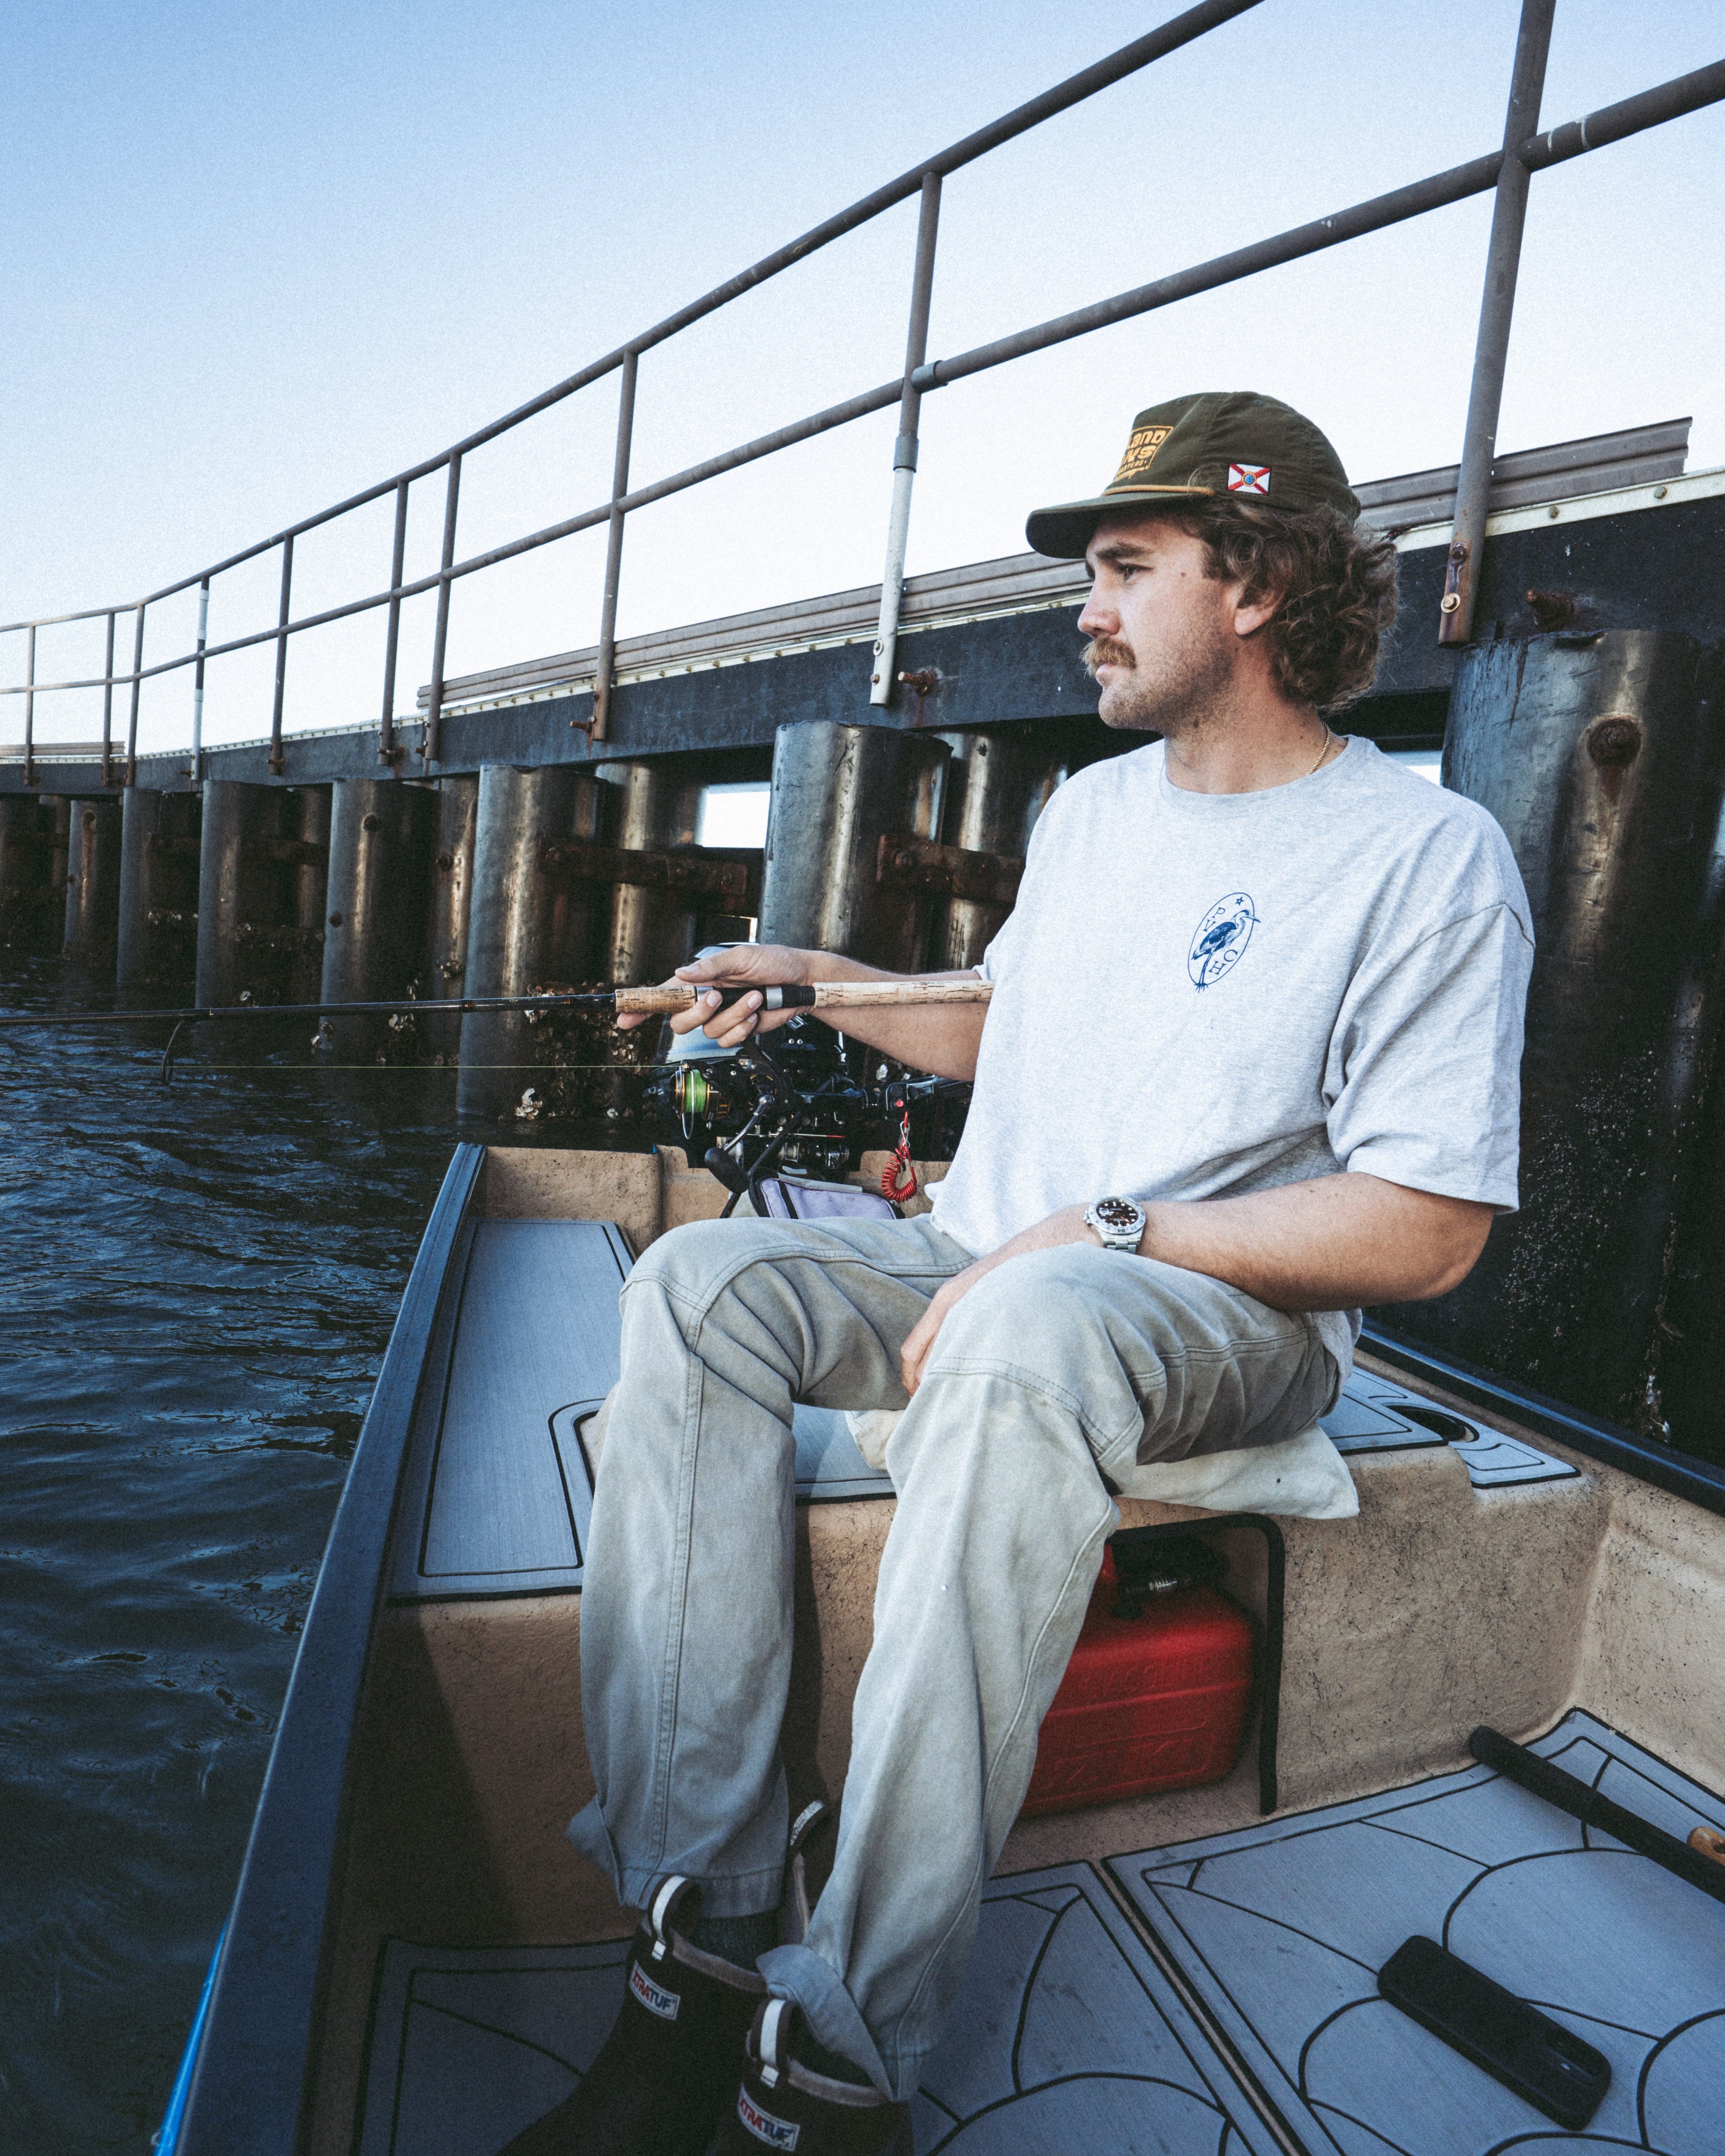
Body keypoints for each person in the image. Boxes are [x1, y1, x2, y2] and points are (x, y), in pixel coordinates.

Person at [503, 389, 1534, 2156]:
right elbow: (1015, 1028)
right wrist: (814, 974)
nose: (1089, 605)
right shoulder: (1091, 813)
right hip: (995, 1259)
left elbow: (1429, 1227)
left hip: (1230, 1313)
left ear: (1261, 585)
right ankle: (715, 1919)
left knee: (1041, 1324)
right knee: (698, 1285)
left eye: (1130, 566)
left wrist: (1116, 1230)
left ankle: (847, 2044)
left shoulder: (1426, 856)